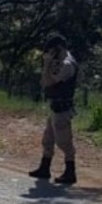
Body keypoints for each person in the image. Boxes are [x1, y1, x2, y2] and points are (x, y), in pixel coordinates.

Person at [29, 34, 79, 184]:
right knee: (48, 139)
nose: (50, 54)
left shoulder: (67, 65)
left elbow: (48, 82)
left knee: (64, 141)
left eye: (52, 51)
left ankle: (70, 172)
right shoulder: (61, 62)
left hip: (62, 108)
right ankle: (44, 168)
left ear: (59, 48)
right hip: (55, 105)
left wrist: (47, 64)